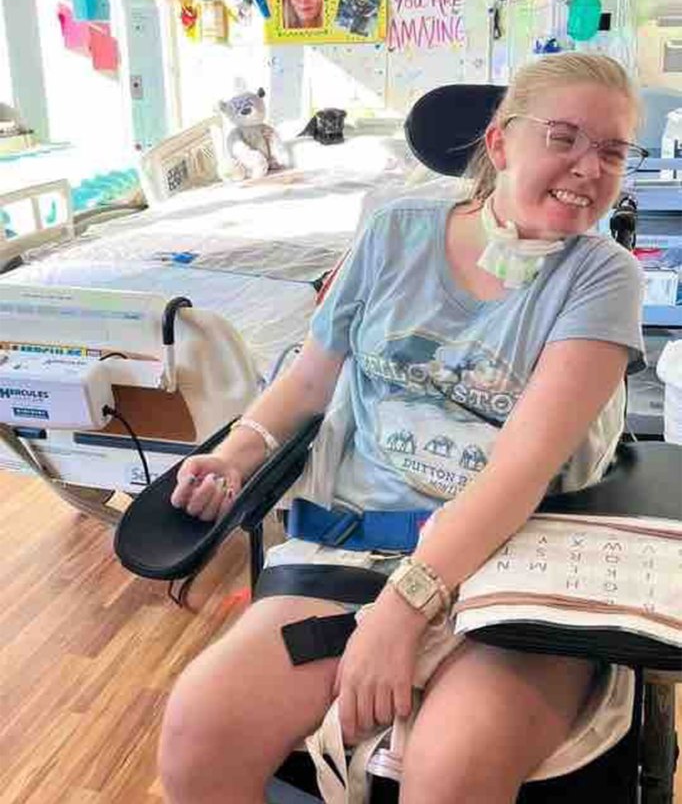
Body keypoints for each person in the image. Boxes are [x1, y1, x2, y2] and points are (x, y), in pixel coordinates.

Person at [159, 53, 647, 804]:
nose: (589, 167)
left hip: (516, 560)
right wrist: (235, 451)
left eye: (612, 150)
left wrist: (403, 609)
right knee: (199, 725)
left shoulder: (602, 277)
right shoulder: (393, 234)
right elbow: (311, 380)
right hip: (359, 543)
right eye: (564, 137)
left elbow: (521, 468)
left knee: (449, 770)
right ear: (500, 145)